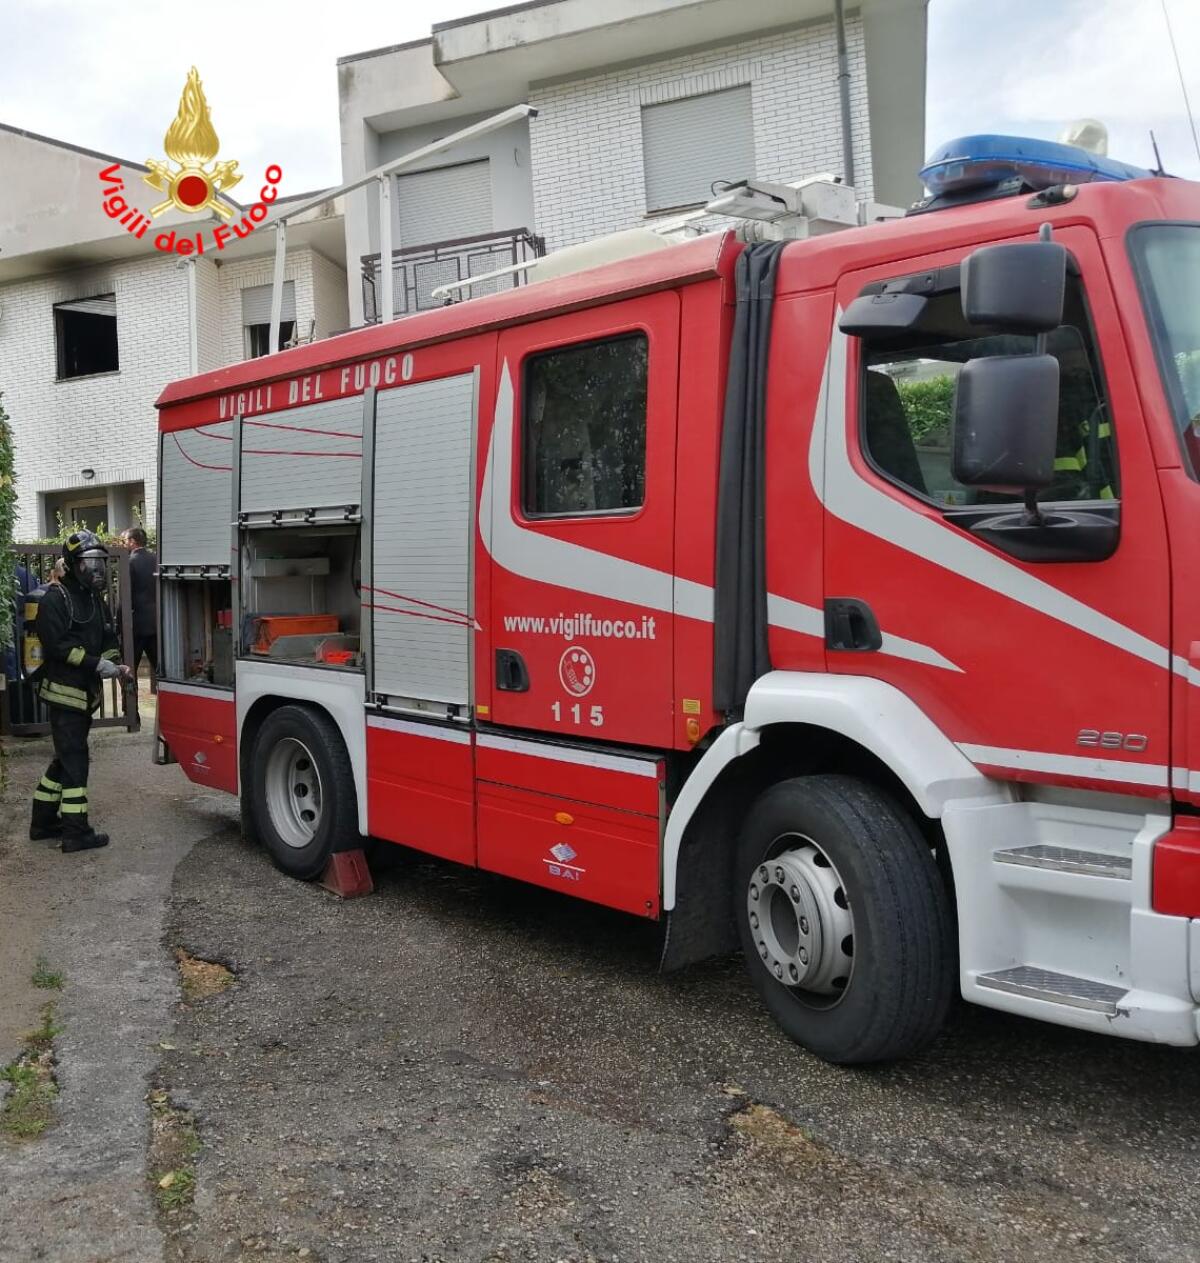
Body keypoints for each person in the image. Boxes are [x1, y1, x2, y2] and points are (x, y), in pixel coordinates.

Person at [29, 530, 131, 852]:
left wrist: (117, 666)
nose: (97, 571)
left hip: (84, 694)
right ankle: (75, 832)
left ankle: (42, 822)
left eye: (100, 563)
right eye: (90, 564)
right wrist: (95, 664)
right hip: (64, 695)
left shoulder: (93, 600)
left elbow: (107, 639)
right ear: (73, 564)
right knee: (76, 763)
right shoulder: (54, 600)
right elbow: (59, 647)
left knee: (64, 759)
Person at [121, 526, 158, 691]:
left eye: (124, 541)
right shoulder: (156, 559)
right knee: (160, 668)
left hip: (135, 626)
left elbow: (124, 596)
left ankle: (131, 713)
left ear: (132, 542)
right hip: (156, 623)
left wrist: (118, 624)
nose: (123, 545)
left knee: (128, 670)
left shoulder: (129, 563)